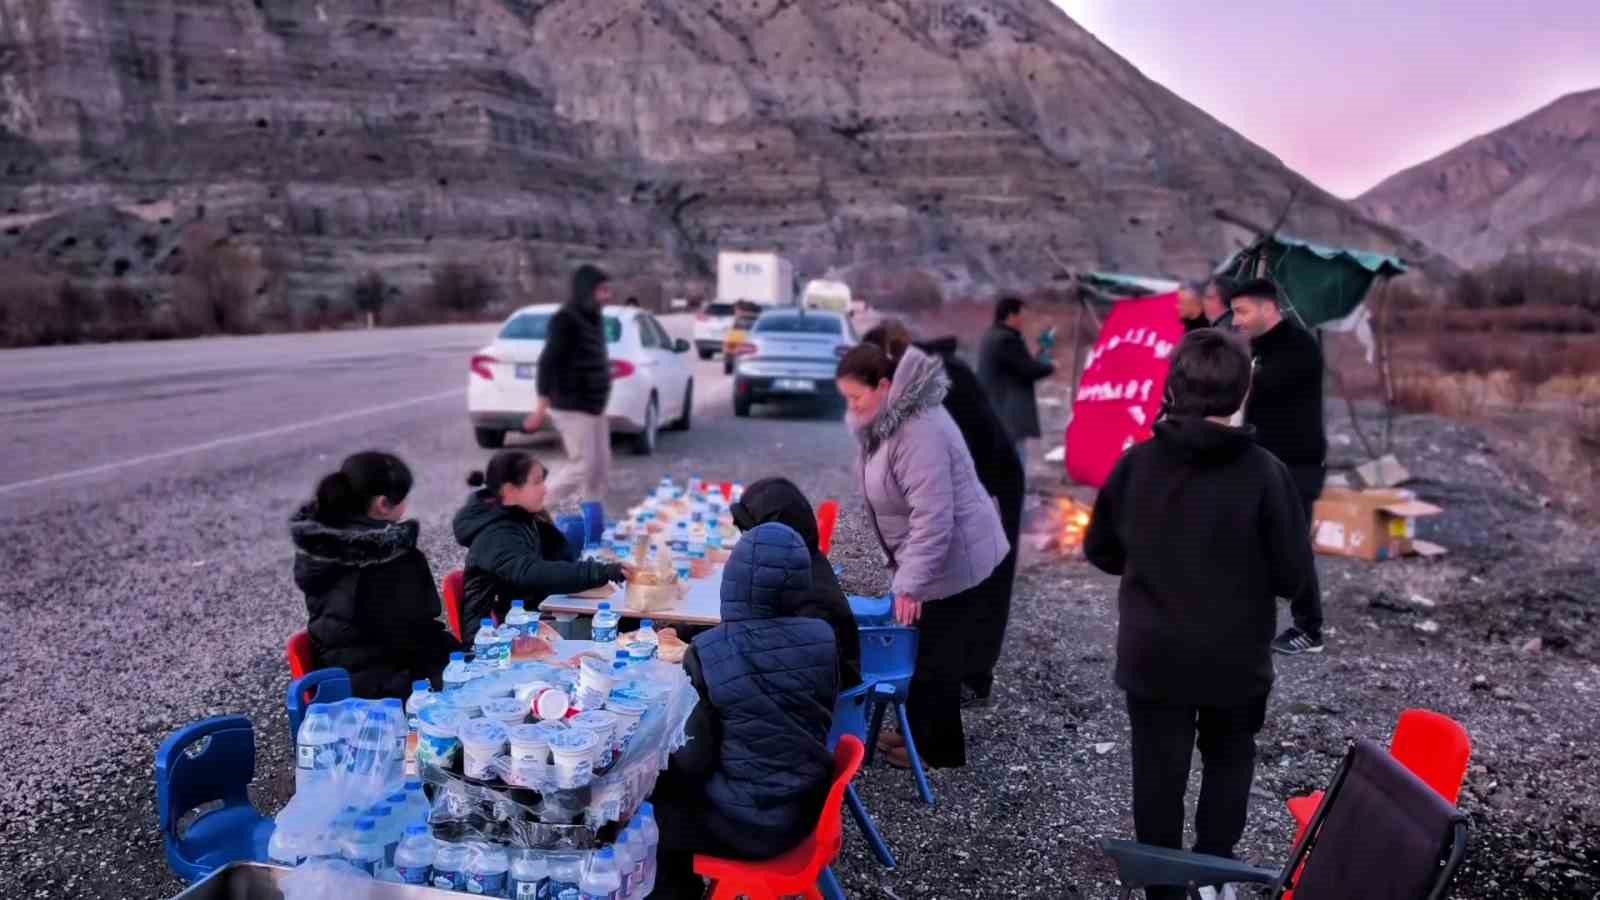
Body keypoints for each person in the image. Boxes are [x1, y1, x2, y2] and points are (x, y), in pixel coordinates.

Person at [1082, 330, 1316, 898]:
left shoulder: (1137, 465)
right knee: (1230, 759)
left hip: (1153, 654)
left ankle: (1163, 888)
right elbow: (1292, 574)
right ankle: (1216, 877)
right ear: (1242, 393)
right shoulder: (1266, 473)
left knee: (1158, 772)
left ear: (1175, 388)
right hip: (1235, 658)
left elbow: (1102, 551)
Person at [835, 343, 1009, 769]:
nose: (852, 406)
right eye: (846, 399)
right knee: (927, 645)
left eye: (857, 397)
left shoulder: (918, 430)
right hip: (931, 551)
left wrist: (911, 583)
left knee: (937, 656)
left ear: (885, 385)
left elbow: (934, 516)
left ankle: (940, 751)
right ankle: (922, 733)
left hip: (956, 553)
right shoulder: (884, 421)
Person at [648, 522, 838, 900]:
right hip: (807, 807)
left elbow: (692, 760)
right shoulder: (822, 636)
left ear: (732, 580)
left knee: (647, 814)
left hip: (748, 824)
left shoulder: (709, 650)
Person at [861, 320, 1025, 708]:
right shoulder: (919, 377)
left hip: (991, 487)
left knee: (974, 587)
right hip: (971, 485)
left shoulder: (941, 379)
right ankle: (944, 688)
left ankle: (969, 680)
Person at [291, 452, 461, 699]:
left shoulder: (319, 549)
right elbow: (417, 633)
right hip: (383, 692)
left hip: (339, 683)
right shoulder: (393, 557)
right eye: (403, 498)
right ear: (383, 505)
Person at [1227, 277, 1327, 656]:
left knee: (1294, 545)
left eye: (1242, 311)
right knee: (1253, 541)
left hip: (1296, 464)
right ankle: (1250, 618)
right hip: (1263, 459)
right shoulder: (1259, 348)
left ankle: (1309, 629)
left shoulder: (1299, 347)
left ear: (1268, 308)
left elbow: (1258, 389)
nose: (1236, 320)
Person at [452, 450, 630, 644]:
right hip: (496, 640)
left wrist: (605, 568)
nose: (545, 489)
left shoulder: (520, 516)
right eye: (537, 482)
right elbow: (535, 572)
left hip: (529, 617)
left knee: (621, 618)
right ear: (510, 490)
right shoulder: (495, 534)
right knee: (621, 626)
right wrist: (605, 571)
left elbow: (559, 561)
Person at [730, 476, 862, 688]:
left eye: (752, 532)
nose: (745, 541)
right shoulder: (797, 562)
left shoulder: (811, 600)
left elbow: (794, 673)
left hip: (821, 705)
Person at [525, 264, 614, 509]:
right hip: (572, 406)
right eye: (603, 290)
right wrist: (540, 407)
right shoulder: (565, 320)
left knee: (600, 469)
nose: (608, 296)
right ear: (587, 290)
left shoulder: (593, 317)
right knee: (583, 466)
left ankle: (593, 524)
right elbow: (547, 362)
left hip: (594, 406)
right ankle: (533, 507)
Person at [978, 295, 1056, 464]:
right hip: (1007, 412)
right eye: (1022, 315)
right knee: (1014, 461)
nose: (1024, 320)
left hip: (997, 408)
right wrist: (1051, 366)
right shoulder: (1005, 340)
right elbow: (1026, 369)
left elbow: (1020, 364)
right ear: (1011, 316)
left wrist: (1040, 353)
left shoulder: (993, 336)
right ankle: (1016, 490)